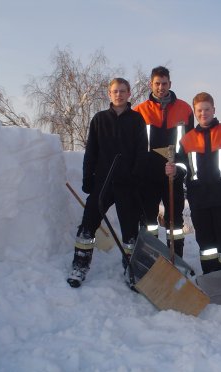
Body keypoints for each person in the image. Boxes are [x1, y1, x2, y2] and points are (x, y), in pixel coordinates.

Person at [67, 78, 148, 288]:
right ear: (109, 94)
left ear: (129, 94)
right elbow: (91, 151)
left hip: (127, 184)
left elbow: (142, 153)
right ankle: (80, 266)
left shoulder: (137, 120)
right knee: (87, 226)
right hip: (103, 182)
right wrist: (88, 178)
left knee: (130, 231)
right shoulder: (99, 119)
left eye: (122, 91)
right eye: (115, 91)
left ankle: (131, 270)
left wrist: (137, 178)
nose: (118, 94)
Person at [165, 92, 221, 274]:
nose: (203, 113)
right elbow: (182, 166)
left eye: (207, 109)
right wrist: (174, 170)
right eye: (199, 110)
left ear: (213, 110)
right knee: (206, 244)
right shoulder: (187, 140)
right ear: (195, 112)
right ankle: (211, 277)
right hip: (199, 200)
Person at [133, 66, 194, 257]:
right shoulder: (140, 111)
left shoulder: (184, 109)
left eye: (164, 83)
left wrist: (179, 169)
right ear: (151, 84)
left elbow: (189, 145)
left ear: (170, 84)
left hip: (173, 175)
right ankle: (151, 258)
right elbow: (136, 147)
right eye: (157, 83)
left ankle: (175, 258)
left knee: (174, 222)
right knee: (149, 221)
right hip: (148, 177)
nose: (161, 87)